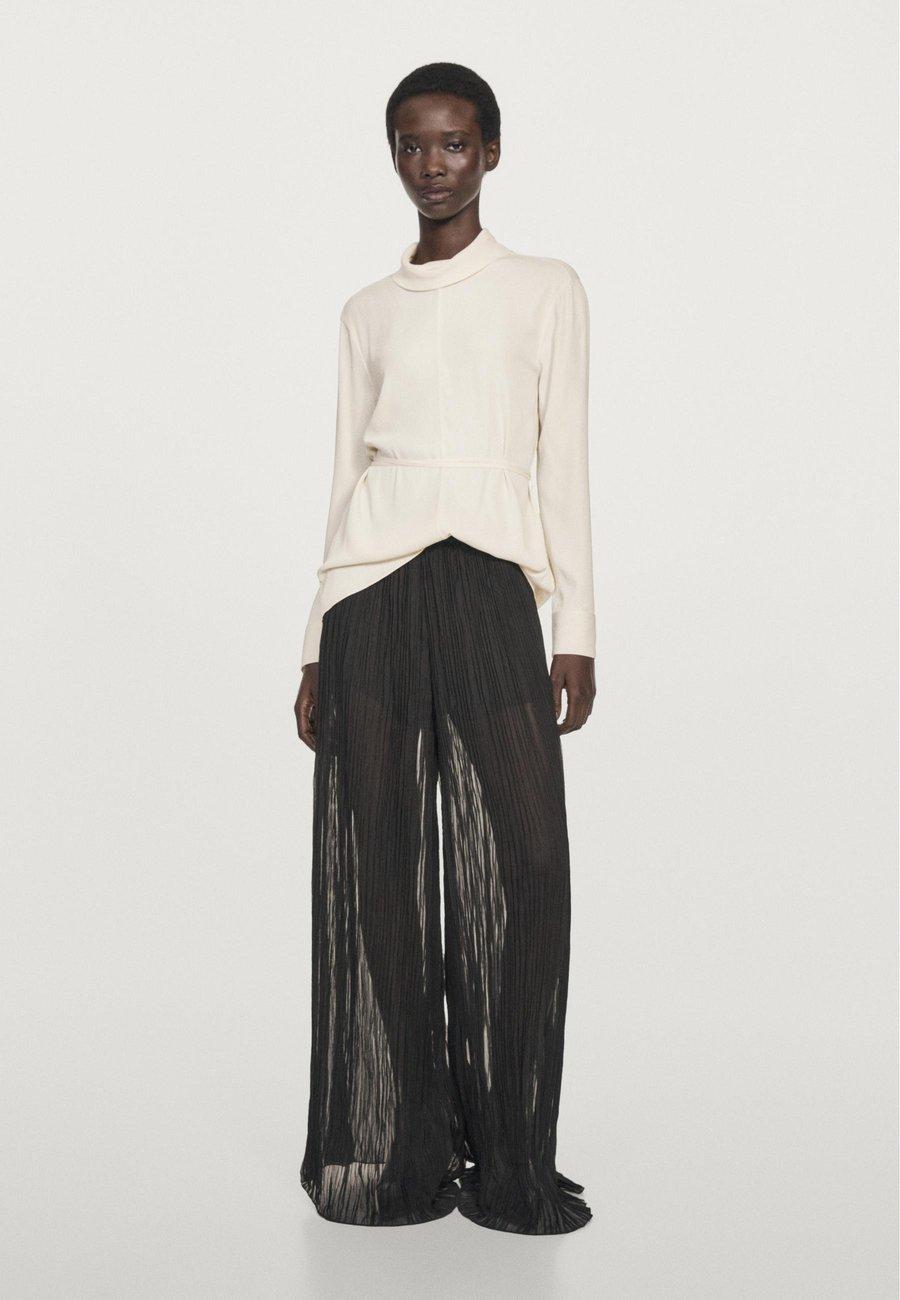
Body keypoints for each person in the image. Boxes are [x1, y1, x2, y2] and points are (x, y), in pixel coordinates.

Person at [294, 61, 596, 1235]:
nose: (434, 165)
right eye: (414, 145)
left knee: (527, 861)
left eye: (455, 143)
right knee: (382, 873)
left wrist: (575, 625)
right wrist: (312, 645)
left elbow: (562, 460)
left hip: (486, 586)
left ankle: (508, 1145)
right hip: (370, 595)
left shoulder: (545, 289)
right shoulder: (366, 311)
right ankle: (407, 1139)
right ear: (394, 156)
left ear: (492, 151)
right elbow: (344, 479)